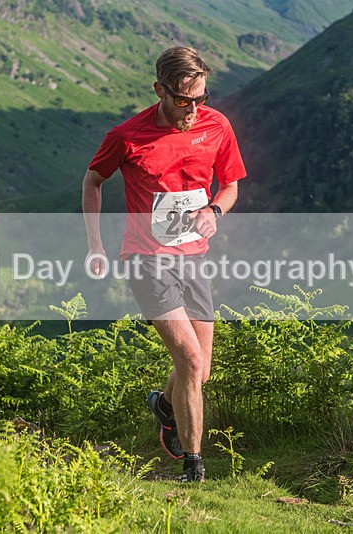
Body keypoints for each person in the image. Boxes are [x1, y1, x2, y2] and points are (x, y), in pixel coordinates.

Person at [82, 46, 247, 482]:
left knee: (201, 369)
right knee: (191, 363)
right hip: (146, 261)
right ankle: (193, 465)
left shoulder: (217, 126)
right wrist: (95, 244)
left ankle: (163, 406)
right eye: (182, 100)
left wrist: (214, 211)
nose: (192, 110)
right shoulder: (127, 135)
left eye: (201, 99)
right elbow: (93, 180)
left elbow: (230, 185)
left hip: (194, 259)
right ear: (160, 90)